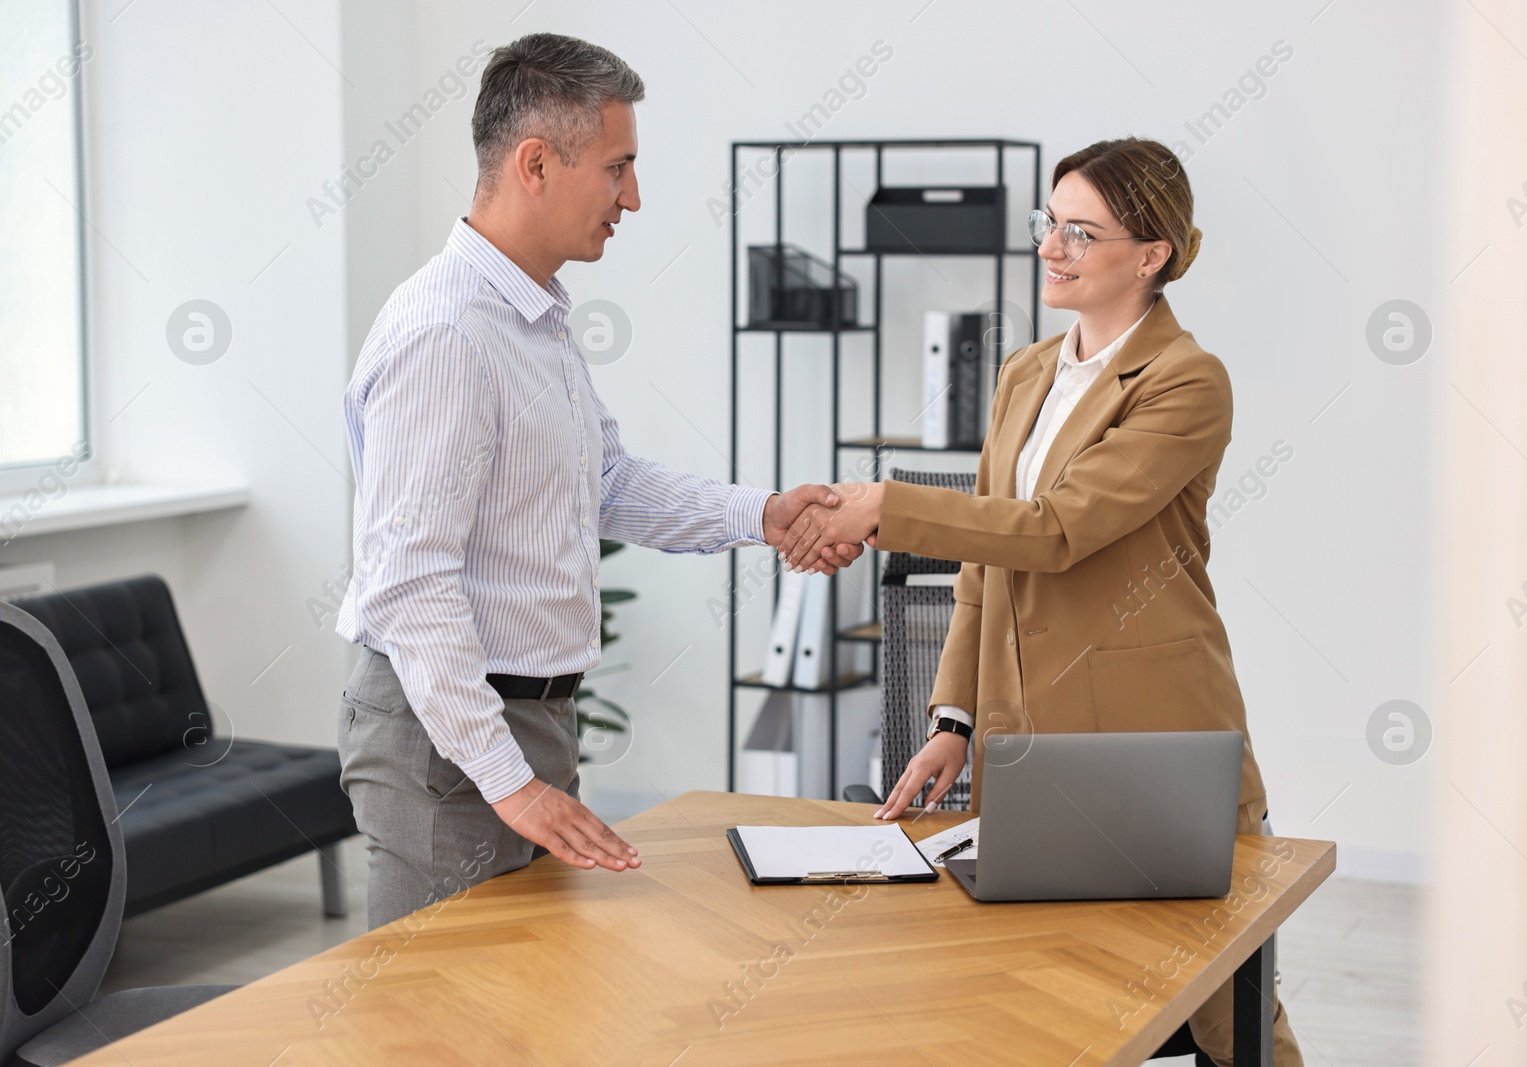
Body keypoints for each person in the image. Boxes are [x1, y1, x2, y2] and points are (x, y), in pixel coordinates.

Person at [777, 137, 1304, 1066]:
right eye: (1046, 224)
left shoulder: (1187, 381)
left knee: (1225, 1005)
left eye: (1079, 231)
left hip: (1154, 735)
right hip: (1032, 736)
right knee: (1045, 996)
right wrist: (953, 717)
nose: (1049, 247)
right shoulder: (1026, 372)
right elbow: (986, 564)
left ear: (1153, 256)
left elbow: (1055, 529)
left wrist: (882, 506)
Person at [334, 33, 861, 931]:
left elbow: (605, 482)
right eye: (618, 168)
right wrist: (509, 783)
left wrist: (763, 515)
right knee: (428, 1028)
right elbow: (410, 583)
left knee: (523, 1010)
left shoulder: (530, 319)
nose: (634, 196)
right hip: (447, 738)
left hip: (521, 721)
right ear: (536, 162)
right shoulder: (448, 333)